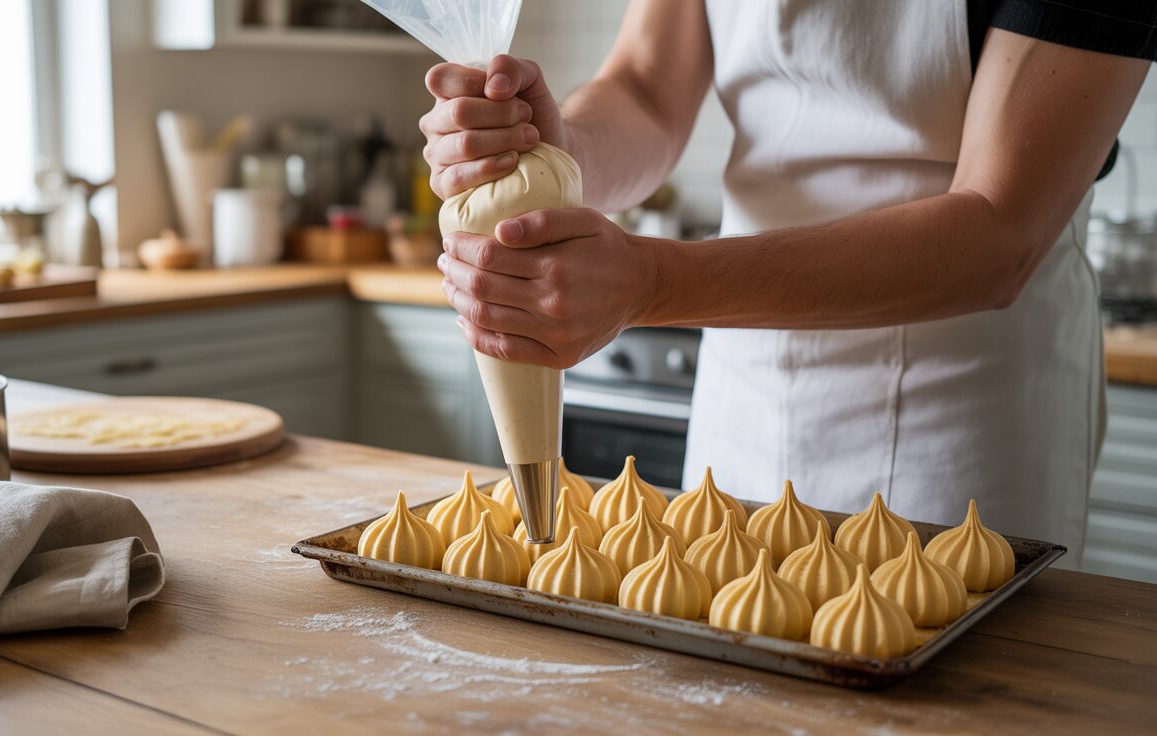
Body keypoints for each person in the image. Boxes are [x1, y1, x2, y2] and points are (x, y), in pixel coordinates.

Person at [423, 0, 1156, 566]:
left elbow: (999, 230)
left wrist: (652, 282)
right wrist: (558, 148)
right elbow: (647, 89)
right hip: (745, 400)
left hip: (962, 415)